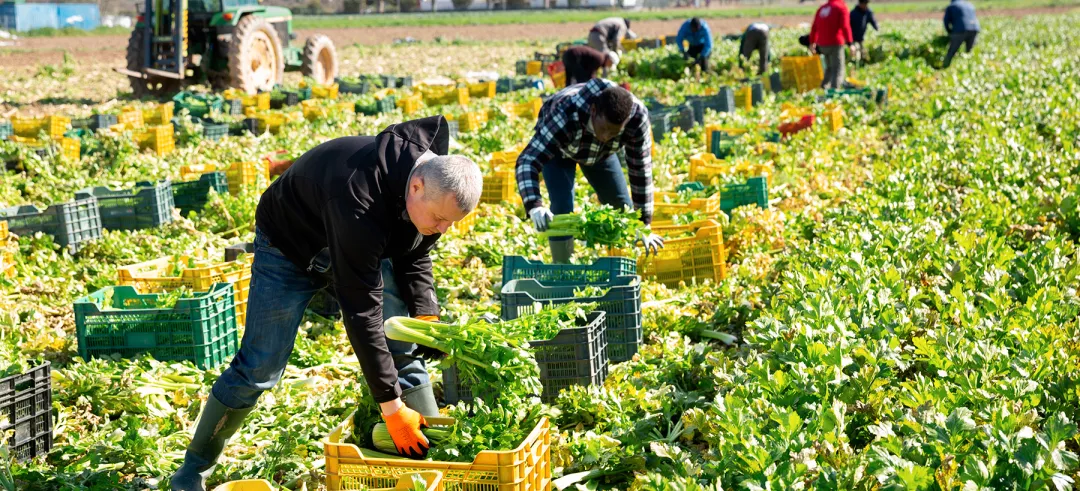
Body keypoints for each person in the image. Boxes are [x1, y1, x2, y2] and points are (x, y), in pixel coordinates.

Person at [169, 116, 483, 491]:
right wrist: (391, 407)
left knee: (402, 340)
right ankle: (193, 468)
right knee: (259, 367)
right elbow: (362, 309)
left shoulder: (431, 189)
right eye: (439, 219)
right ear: (415, 186)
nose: (443, 229)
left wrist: (426, 314)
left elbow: (414, 254)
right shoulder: (359, 198)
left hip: (357, 245)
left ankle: (430, 454)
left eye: (450, 222)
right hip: (289, 247)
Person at [516, 80, 665, 264]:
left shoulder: (636, 119)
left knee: (622, 207)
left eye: (613, 133)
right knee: (562, 209)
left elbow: (641, 170)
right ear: (594, 111)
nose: (605, 136)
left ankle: (621, 263)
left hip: (601, 154)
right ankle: (563, 268)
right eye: (603, 129)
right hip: (560, 151)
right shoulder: (565, 113)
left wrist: (643, 224)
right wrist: (534, 204)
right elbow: (528, 160)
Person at [809, 0, 853, 89]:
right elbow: (845, 26)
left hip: (822, 44)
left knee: (829, 68)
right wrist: (850, 43)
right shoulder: (841, 7)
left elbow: (814, 27)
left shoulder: (822, 8)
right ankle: (834, 91)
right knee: (837, 69)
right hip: (835, 43)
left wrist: (812, 42)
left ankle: (823, 87)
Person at [942, 0, 980, 68]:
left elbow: (946, 21)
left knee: (951, 52)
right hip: (974, 28)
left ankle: (945, 67)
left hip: (960, 29)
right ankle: (971, 68)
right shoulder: (969, 4)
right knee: (970, 52)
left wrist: (949, 32)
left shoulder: (952, 6)